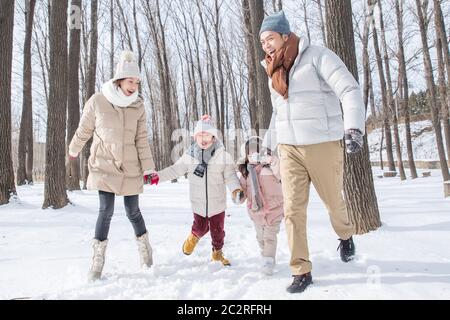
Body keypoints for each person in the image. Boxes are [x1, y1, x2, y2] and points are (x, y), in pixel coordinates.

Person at [259, 11, 366, 293]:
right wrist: (269, 143)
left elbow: (349, 88)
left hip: (323, 143)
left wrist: (354, 127)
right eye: (262, 42)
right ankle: (301, 271)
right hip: (290, 148)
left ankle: (345, 235)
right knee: (293, 210)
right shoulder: (274, 74)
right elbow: (278, 113)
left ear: (285, 35)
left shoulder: (317, 56)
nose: (266, 45)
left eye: (270, 38)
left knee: (334, 202)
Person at [69, 51, 155, 281]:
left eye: (137, 82)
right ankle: (97, 260)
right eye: (130, 81)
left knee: (132, 211)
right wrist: (74, 148)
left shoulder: (138, 106)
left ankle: (145, 248)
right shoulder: (98, 100)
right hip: (104, 164)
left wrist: (149, 168)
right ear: (119, 80)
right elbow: (84, 129)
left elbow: (141, 140)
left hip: (131, 167)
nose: (134, 85)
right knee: (105, 211)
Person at [147, 115, 244, 266]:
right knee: (200, 227)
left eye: (206, 134)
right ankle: (194, 236)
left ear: (213, 137)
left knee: (218, 232)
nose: (203, 138)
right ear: (195, 137)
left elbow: (230, 176)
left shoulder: (223, 156)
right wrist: (157, 177)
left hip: (217, 204)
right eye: (200, 135)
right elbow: (174, 170)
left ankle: (217, 253)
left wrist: (236, 190)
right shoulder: (189, 156)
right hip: (198, 203)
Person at [238, 136, 284, 276]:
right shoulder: (246, 174)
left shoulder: (270, 168)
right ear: (245, 156)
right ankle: (266, 257)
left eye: (256, 152)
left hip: (274, 210)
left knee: (269, 237)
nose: (253, 155)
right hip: (256, 212)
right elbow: (243, 190)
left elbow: (282, 173)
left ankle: (268, 261)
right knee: (260, 238)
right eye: (249, 153)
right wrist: (239, 195)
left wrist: (271, 160)